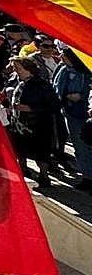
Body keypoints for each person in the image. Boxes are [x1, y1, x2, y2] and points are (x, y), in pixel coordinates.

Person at [5, 56, 59, 187]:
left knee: (41, 151)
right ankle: (23, 169)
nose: (15, 71)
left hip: (38, 124)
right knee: (20, 148)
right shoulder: (14, 81)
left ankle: (44, 176)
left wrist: (31, 108)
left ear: (29, 69)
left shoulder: (42, 85)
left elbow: (54, 105)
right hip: (18, 123)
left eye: (18, 68)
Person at [53, 48, 92, 191]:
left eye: (64, 54)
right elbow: (56, 88)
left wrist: (81, 96)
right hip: (72, 114)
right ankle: (87, 177)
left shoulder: (87, 72)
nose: (61, 56)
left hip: (86, 114)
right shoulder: (63, 70)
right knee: (80, 147)